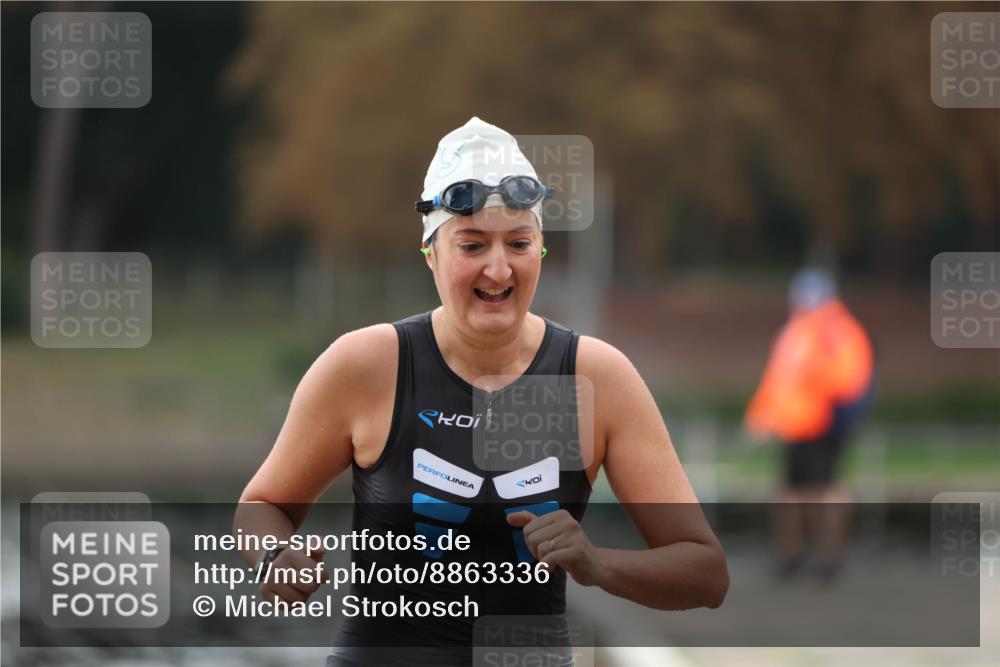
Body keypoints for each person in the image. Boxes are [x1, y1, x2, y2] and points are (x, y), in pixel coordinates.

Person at [235, 117, 728, 665]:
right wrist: (274, 556)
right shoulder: (364, 365)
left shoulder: (596, 377)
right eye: (472, 244)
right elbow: (262, 505)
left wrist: (597, 563)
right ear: (432, 253)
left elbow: (705, 573)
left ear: (540, 250)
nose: (499, 268)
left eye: (519, 243)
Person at [745, 267, 874, 582]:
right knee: (794, 492)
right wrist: (760, 417)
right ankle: (795, 555)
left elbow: (847, 379)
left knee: (822, 489)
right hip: (797, 425)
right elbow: (778, 381)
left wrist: (812, 385)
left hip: (821, 424)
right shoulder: (798, 331)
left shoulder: (833, 330)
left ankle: (829, 558)